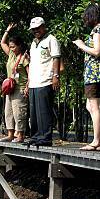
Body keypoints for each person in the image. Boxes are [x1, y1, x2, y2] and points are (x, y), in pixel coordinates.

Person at [73, 4, 100, 151]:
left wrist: (81, 45)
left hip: (94, 72)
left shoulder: (97, 30)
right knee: (91, 105)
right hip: (96, 72)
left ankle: (96, 141)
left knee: (95, 107)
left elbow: (97, 51)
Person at [26, 17, 61, 147]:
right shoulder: (33, 43)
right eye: (33, 29)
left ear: (43, 26)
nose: (36, 31)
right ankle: (35, 136)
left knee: (44, 111)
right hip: (34, 82)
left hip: (46, 80)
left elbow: (56, 58)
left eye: (38, 28)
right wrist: (28, 82)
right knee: (34, 112)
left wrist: (55, 76)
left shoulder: (51, 39)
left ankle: (45, 138)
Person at [0, 23, 30, 143]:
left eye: (13, 46)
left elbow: (29, 73)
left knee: (19, 112)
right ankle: (10, 134)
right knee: (9, 112)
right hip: (9, 89)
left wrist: (27, 86)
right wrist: (7, 31)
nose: (11, 48)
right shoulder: (11, 55)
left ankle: (20, 135)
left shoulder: (24, 58)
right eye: (10, 46)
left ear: (19, 46)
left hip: (20, 88)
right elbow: (2, 43)